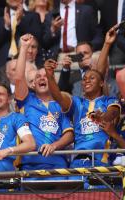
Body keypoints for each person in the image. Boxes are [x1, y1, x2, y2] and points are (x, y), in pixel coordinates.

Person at [44, 26, 121, 187]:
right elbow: (58, 97)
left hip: (102, 162)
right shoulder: (78, 103)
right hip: (78, 164)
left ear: (101, 83)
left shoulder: (109, 100)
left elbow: (113, 113)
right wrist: (50, 76)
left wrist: (102, 117)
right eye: (84, 79)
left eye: (91, 79)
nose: (86, 80)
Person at [14, 34, 74, 178]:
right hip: (29, 163)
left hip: (57, 164)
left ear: (52, 81)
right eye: (38, 77)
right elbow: (18, 78)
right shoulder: (27, 101)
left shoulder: (61, 104)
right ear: (33, 84)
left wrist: (54, 146)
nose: (42, 78)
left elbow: (70, 134)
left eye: (45, 76)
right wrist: (23, 48)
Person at [0, 0, 42, 69]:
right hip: (3, 65)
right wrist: (7, 26)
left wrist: (20, 21)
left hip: (26, 62)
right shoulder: (0, 20)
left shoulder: (33, 16)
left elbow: (36, 39)